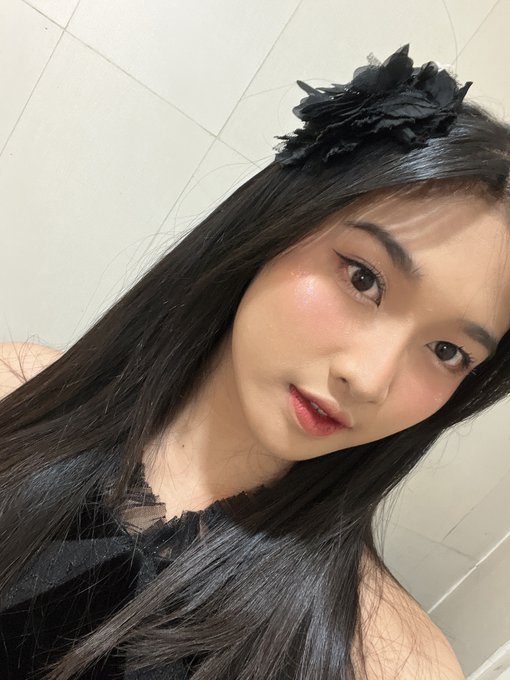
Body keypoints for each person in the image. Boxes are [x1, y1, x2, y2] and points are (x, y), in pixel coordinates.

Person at [0, 43, 509, 679]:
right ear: (278, 223)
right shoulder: (14, 390)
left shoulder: (392, 665)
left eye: (448, 352)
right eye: (363, 279)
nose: (369, 378)